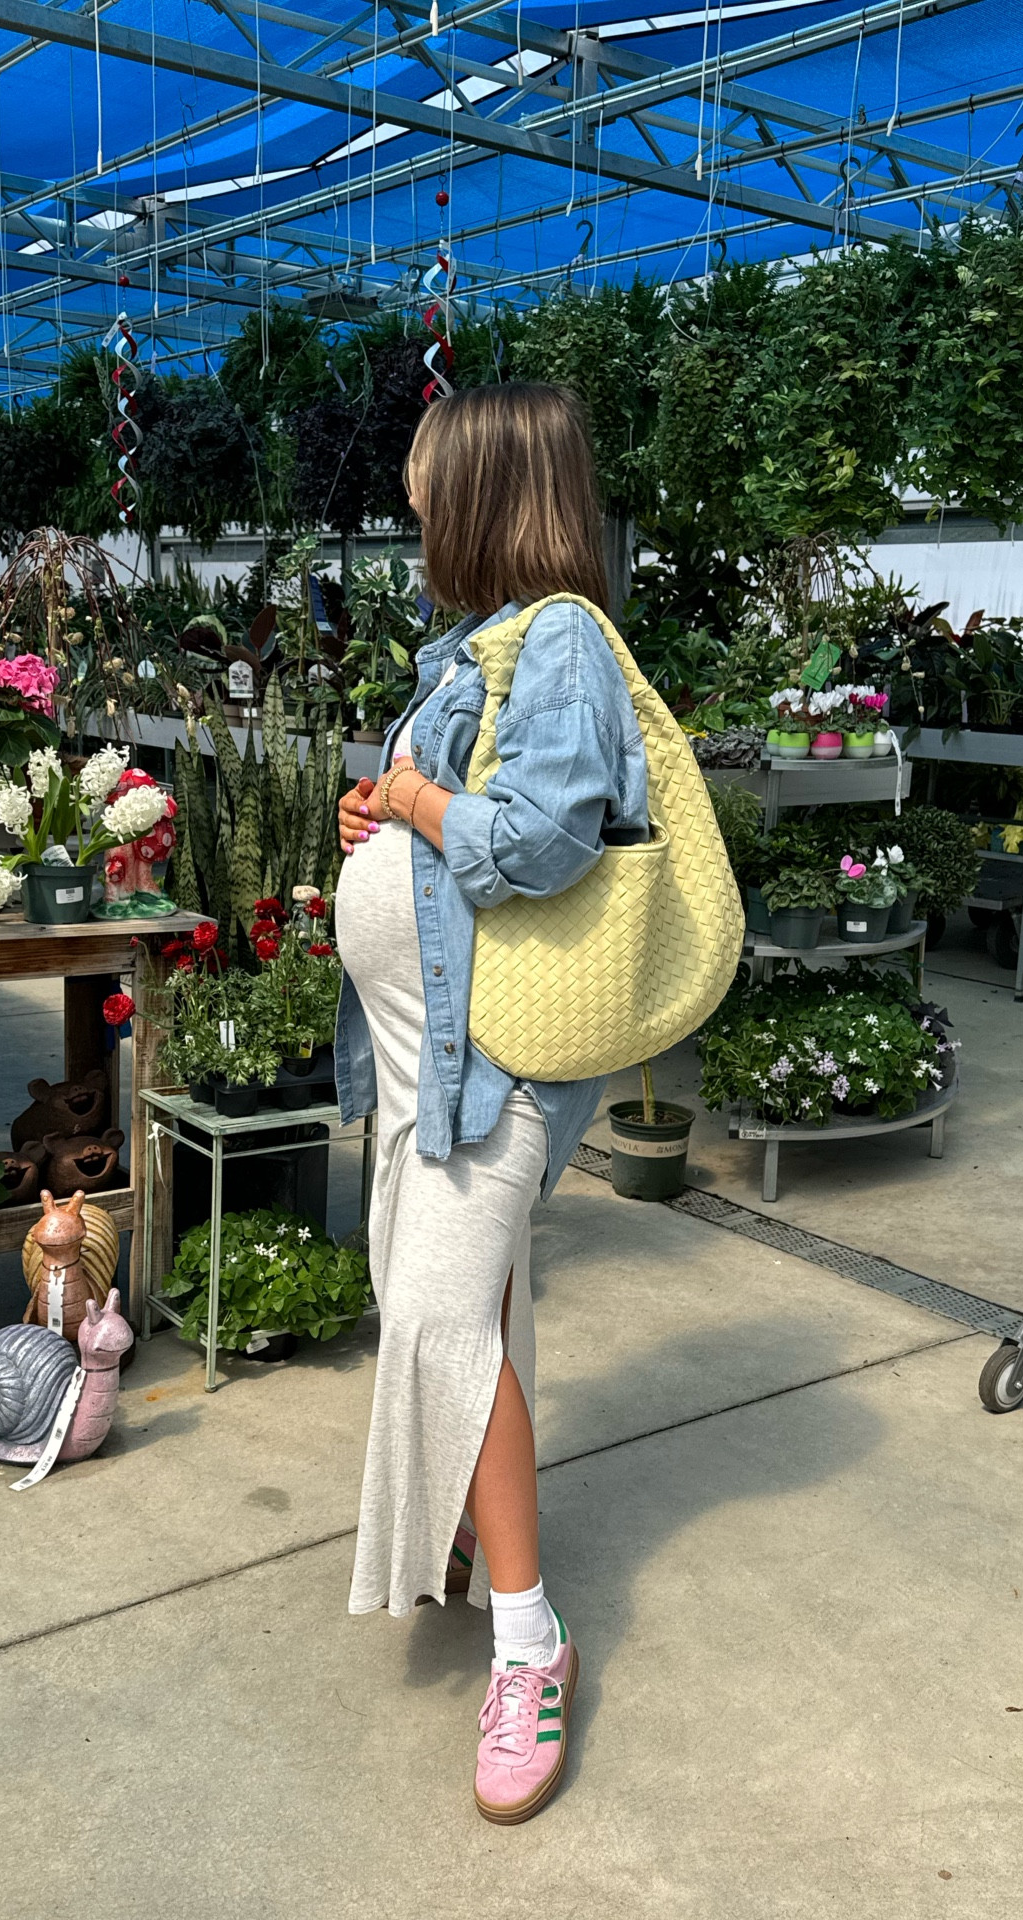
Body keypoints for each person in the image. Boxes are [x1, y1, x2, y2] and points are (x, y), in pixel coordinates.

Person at [331, 381, 649, 1825]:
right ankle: (474, 1524)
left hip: (494, 1060)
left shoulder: (566, 637)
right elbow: (457, 820)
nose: (409, 520)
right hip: (422, 1058)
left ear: (479, 497)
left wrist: (410, 810)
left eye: (422, 497)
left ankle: (531, 1641)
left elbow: (537, 842)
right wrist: (382, 799)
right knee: (472, 1304)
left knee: (442, 1318)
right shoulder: (470, 651)